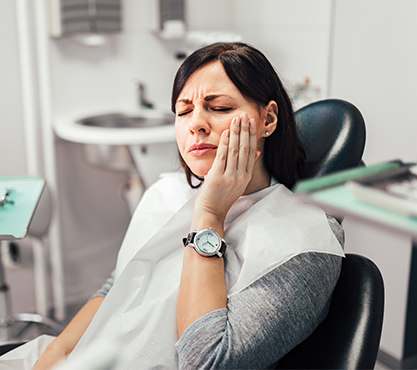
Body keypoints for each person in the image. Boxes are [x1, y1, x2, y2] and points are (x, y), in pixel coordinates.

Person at [32, 42, 344, 369]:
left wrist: (210, 215)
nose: (196, 123)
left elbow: (207, 362)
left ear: (267, 119)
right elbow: (120, 284)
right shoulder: (166, 193)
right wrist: (54, 354)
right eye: (183, 111)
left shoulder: (306, 243)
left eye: (220, 108)